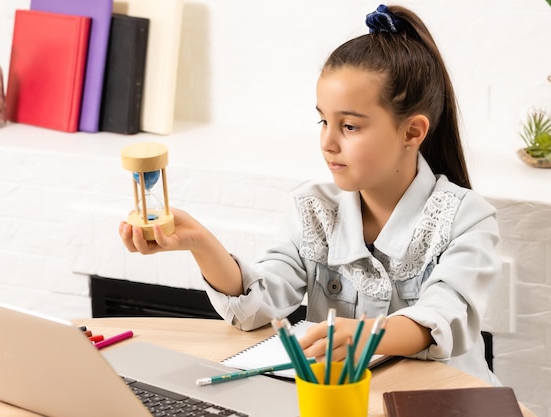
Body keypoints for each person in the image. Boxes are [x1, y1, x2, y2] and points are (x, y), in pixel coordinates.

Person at [119, 4, 501, 385]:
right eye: (323, 120)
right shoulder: (315, 209)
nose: (328, 142)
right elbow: (258, 308)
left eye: (349, 126)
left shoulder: (467, 218)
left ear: (412, 132)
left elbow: (445, 316)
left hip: (444, 403)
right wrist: (200, 243)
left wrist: (367, 335)